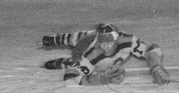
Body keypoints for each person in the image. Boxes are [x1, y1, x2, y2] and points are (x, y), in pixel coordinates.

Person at [39, 23, 171, 86]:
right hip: (88, 54)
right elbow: (70, 77)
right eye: (102, 42)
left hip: (90, 39)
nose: (106, 47)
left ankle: (53, 44)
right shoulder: (91, 57)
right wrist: (101, 80)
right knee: (75, 47)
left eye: (110, 42)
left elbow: (152, 48)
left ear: (117, 39)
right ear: (98, 42)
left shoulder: (127, 41)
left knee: (78, 37)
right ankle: (57, 59)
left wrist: (156, 66)